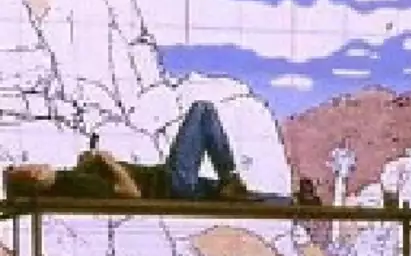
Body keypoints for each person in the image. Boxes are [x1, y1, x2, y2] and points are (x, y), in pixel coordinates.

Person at [4, 100, 258, 201]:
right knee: (202, 110)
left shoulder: (70, 180)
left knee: (248, 196)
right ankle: (229, 178)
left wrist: (89, 163)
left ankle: (230, 183)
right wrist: (108, 161)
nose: (33, 166)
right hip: (172, 184)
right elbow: (131, 193)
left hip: (172, 182)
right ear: (36, 180)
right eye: (28, 171)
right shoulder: (75, 185)